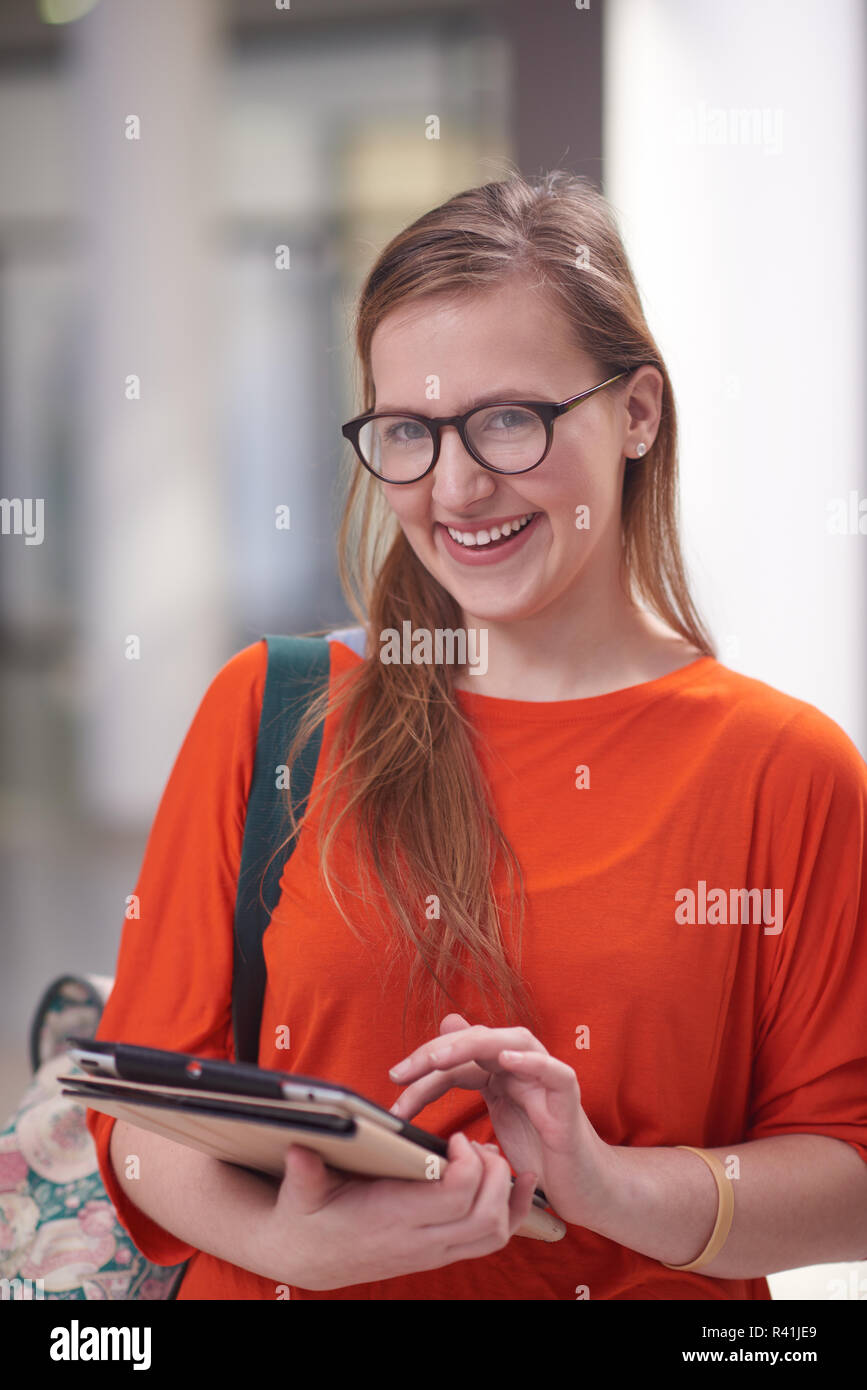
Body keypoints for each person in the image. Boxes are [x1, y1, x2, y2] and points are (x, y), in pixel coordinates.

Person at [86, 170, 867, 1301]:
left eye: (509, 418)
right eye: (409, 429)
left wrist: (606, 1183)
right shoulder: (273, 710)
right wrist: (296, 1247)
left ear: (637, 412)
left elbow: (848, 1169)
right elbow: (137, 1111)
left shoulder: (786, 772)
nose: (455, 486)